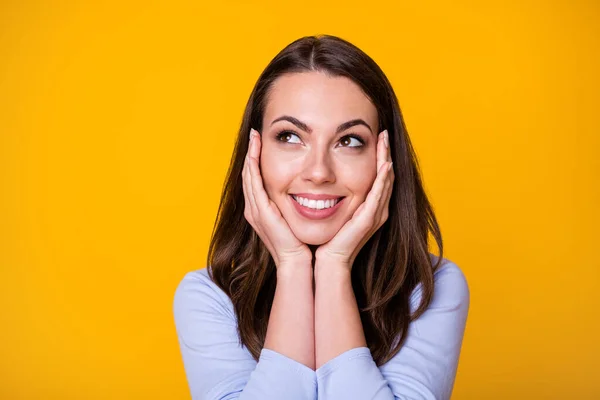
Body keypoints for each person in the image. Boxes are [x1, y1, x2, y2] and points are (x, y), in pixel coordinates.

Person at [173, 34, 470, 400]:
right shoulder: (208, 297)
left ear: (386, 160)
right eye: (290, 137)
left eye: (349, 141)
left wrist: (334, 267)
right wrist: (293, 264)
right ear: (255, 155)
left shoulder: (431, 288)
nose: (318, 172)